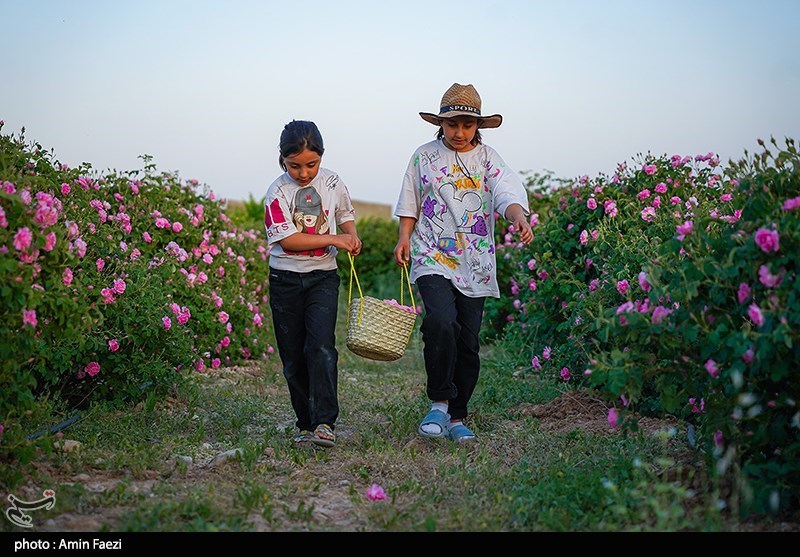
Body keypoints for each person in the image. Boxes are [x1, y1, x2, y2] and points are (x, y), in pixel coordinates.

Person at [393, 83, 533, 443]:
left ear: (478, 127)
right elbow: (411, 199)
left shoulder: (488, 160)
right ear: (441, 124)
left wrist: (517, 216)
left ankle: (458, 417)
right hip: (431, 253)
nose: (459, 132)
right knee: (440, 322)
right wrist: (404, 238)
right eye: (452, 124)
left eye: (467, 125)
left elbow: (507, 193)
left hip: (476, 261)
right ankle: (439, 403)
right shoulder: (424, 157)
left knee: (468, 341)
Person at [264, 120, 362, 448]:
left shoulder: (333, 182)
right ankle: (304, 423)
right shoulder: (277, 193)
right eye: (294, 166)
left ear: (321, 157)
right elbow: (289, 241)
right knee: (293, 356)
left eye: (311, 165)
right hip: (284, 280)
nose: (304, 174)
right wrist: (335, 236)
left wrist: (351, 235)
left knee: (320, 347)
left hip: (323, 276)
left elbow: (345, 212)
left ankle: (324, 422)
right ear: (282, 160)